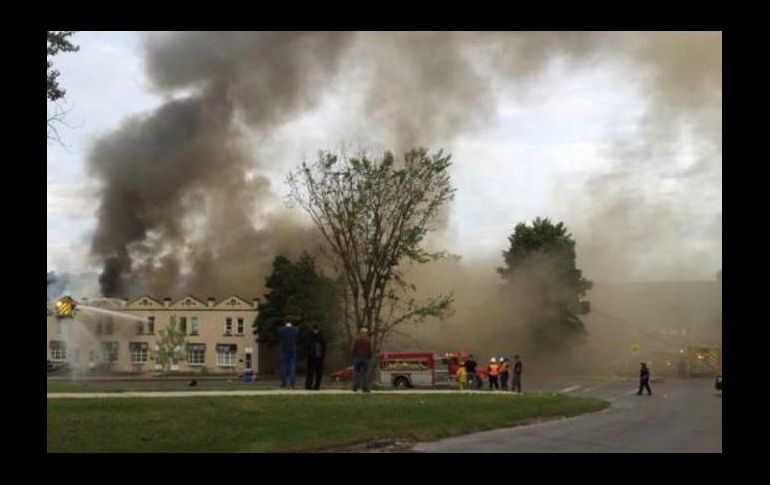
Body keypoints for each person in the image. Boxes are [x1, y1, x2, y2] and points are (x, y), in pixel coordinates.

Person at [278, 320, 299, 389]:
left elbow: (280, 338)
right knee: (292, 367)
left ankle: (284, 383)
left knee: (284, 367)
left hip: (284, 349)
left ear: (285, 322)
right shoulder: (296, 329)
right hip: (292, 349)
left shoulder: (281, 330)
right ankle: (292, 383)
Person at [305, 324, 327, 390]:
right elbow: (324, 347)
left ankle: (308, 385)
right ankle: (317, 386)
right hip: (319, 357)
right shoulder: (322, 337)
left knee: (310, 372)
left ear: (313, 329)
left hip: (311, 357)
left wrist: (308, 354)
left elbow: (307, 346)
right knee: (318, 372)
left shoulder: (310, 337)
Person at [352, 327, 373, 393]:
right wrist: (369, 356)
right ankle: (365, 387)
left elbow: (354, 349)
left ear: (360, 333)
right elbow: (370, 350)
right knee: (365, 373)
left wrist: (355, 354)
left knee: (356, 373)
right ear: (366, 333)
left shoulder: (357, 340)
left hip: (357, 357)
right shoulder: (368, 340)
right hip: (365, 358)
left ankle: (355, 387)